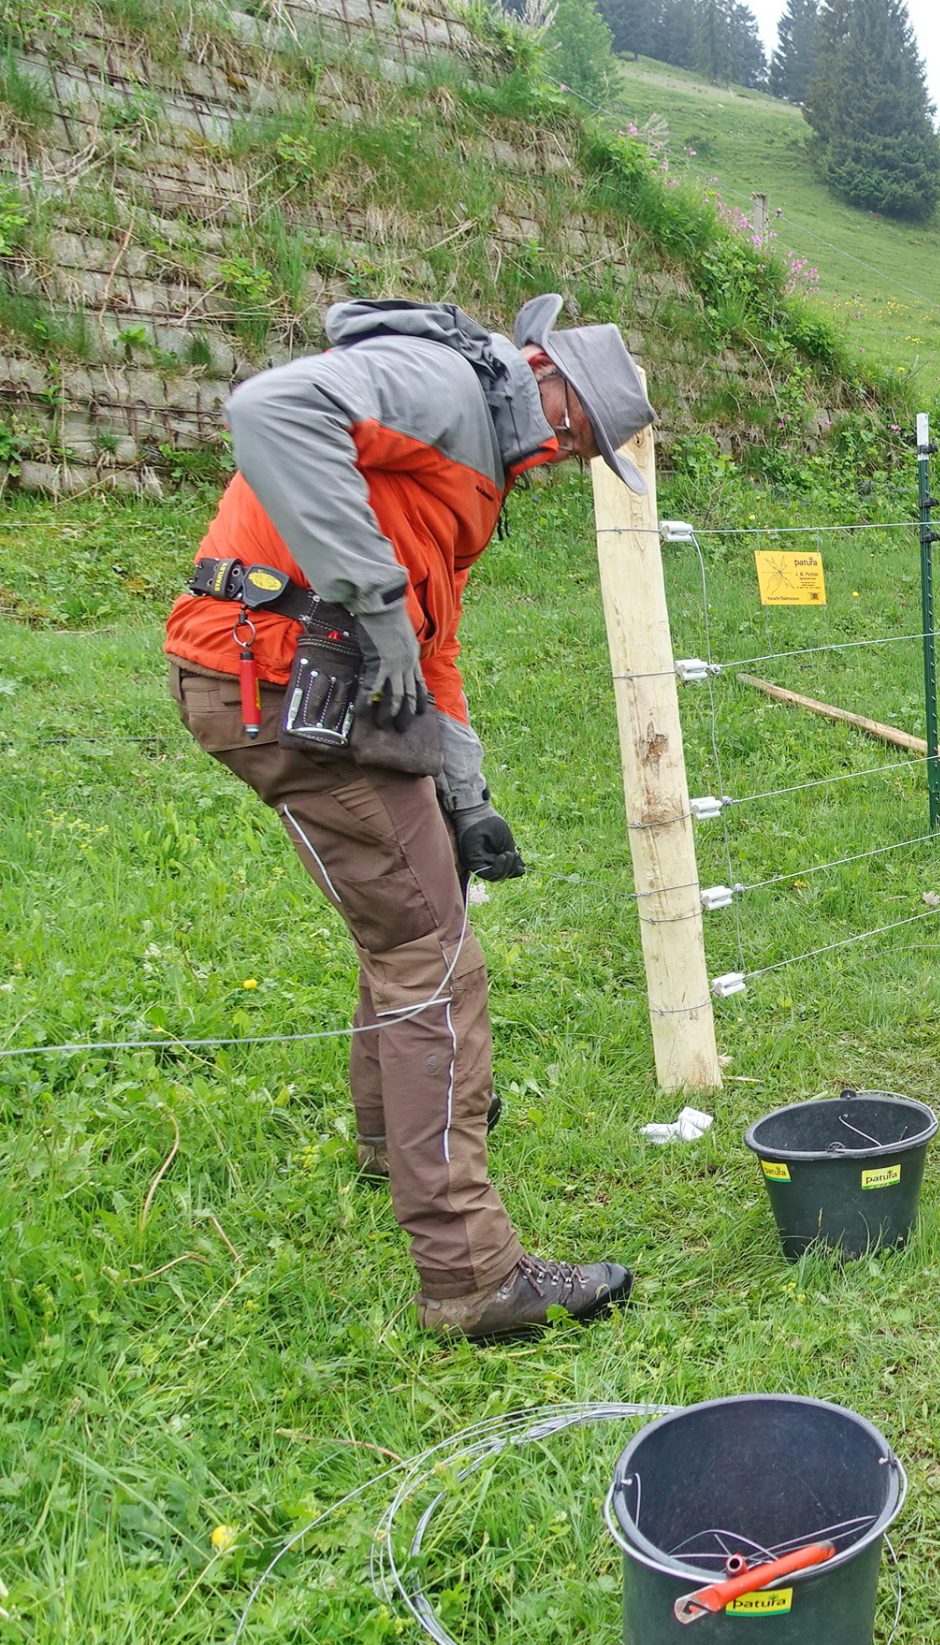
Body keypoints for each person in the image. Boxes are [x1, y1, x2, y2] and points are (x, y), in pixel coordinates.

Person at [164, 294, 655, 1335]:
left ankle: (392, 1139)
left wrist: (465, 795)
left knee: (408, 919)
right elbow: (269, 409)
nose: (568, 454)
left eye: (586, 451)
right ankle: (472, 1277)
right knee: (432, 957)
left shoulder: (474, 467)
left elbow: (433, 650)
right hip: (281, 682)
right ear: (545, 373)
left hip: (319, 687)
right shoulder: (445, 386)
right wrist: (373, 598)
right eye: (577, 430)